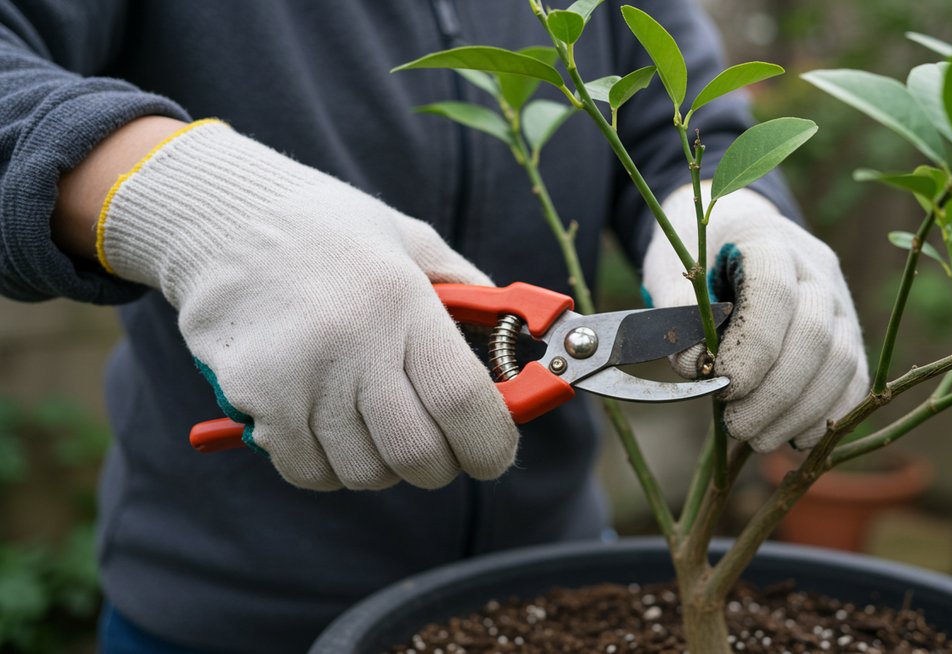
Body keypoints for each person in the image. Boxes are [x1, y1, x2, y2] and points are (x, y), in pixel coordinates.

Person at [0, 1, 867, 652]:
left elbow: (675, 123)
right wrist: (179, 196)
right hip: (227, 619)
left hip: (554, 589)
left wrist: (732, 208)